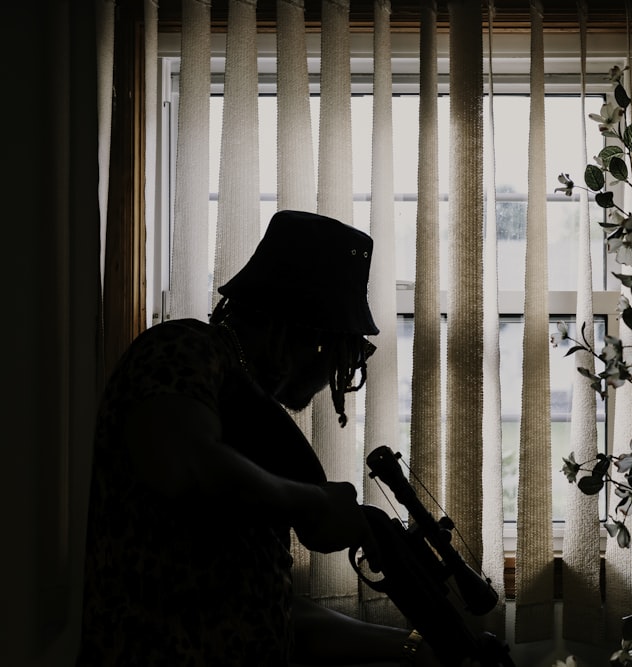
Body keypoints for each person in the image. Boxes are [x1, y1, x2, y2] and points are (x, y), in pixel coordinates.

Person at [77, 210, 439, 666]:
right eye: (345, 351)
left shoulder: (245, 414)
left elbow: (262, 605)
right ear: (306, 335)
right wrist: (313, 503)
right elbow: (181, 463)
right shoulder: (182, 348)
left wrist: (413, 648)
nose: (337, 374)